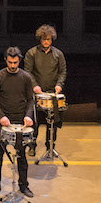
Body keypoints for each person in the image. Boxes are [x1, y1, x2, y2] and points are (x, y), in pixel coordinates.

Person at [0, 47, 35, 199]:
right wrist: (1, 116)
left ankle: (23, 185)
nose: (13, 65)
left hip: (20, 122)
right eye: (10, 62)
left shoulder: (26, 77)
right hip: (3, 122)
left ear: (19, 60)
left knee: (22, 156)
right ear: (5, 60)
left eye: (15, 62)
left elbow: (30, 100)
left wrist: (28, 116)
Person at [23, 24, 67, 156]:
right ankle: (32, 146)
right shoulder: (31, 53)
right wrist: (35, 85)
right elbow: (27, 71)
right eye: (44, 39)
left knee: (52, 123)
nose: (46, 41)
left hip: (52, 93)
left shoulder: (58, 54)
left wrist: (59, 84)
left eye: (48, 39)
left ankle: (50, 147)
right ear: (40, 39)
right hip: (36, 93)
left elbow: (63, 71)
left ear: (52, 39)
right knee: (34, 122)